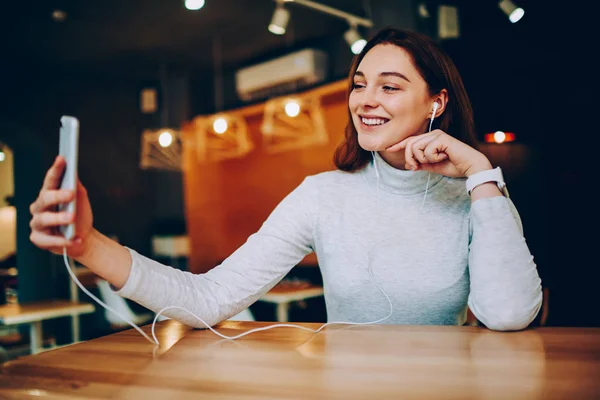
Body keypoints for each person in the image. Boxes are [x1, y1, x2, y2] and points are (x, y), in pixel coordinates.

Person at [29, 28, 542, 332]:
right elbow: (210, 298)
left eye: (390, 86)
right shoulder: (322, 195)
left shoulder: (479, 197)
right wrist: (89, 245)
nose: (366, 100)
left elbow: (511, 314)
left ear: (436, 102)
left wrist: (479, 172)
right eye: (360, 85)